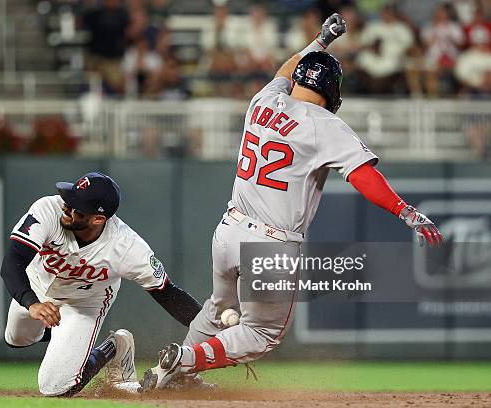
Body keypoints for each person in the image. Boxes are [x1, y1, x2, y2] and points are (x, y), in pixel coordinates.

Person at [140, 13, 443, 391]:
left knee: (218, 308)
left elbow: (286, 69)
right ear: (332, 92)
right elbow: (363, 175)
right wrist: (406, 212)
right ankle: (185, 361)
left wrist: (320, 41)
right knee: (262, 332)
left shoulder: (264, 100)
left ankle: (178, 377)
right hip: (270, 240)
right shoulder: (323, 123)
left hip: (228, 230)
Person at [1, 172, 202, 396]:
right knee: (15, 339)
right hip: (36, 287)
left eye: (76, 207)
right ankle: (70, 342)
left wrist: (212, 326)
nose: (67, 207)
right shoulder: (47, 209)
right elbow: (12, 262)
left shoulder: (126, 246)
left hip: (84, 303)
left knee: (56, 387)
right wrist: (31, 302)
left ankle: (112, 348)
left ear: (98, 219)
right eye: (69, 198)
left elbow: (168, 293)